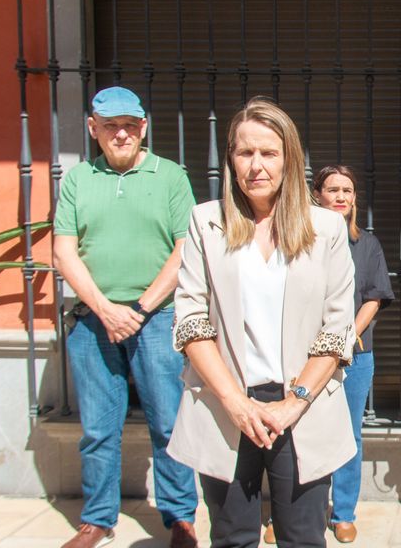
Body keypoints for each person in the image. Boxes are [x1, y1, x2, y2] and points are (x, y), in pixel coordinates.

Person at [169, 97, 356, 548]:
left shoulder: (326, 228)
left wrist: (293, 403)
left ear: (289, 158)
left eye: (269, 153)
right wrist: (235, 402)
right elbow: (192, 321)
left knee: (303, 538)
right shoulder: (205, 222)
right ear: (230, 158)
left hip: (302, 406)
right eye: (245, 152)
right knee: (232, 538)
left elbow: (336, 328)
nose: (256, 165)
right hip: (226, 403)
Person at [53, 86, 198, 548]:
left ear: (143, 127)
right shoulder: (77, 179)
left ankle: (181, 518)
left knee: (169, 423)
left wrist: (137, 309)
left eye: (130, 125)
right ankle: (97, 518)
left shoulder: (171, 176)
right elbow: (63, 251)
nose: (121, 134)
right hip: (93, 321)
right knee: (98, 428)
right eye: (111, 125)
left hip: (155, 319)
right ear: (93, 128)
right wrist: (105, 308)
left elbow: (185, 249)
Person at [314, 165, 394, 543]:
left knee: (348, 433)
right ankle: (298, 510)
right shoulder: (301, 240)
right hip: (306, 355)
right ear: (318, 195)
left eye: (348, 190)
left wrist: (347, 335)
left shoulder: (367, 245)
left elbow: (374, 297)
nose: (342, 196)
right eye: (333, 190)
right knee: (301, 433)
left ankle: (342, 512)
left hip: (355, 354)